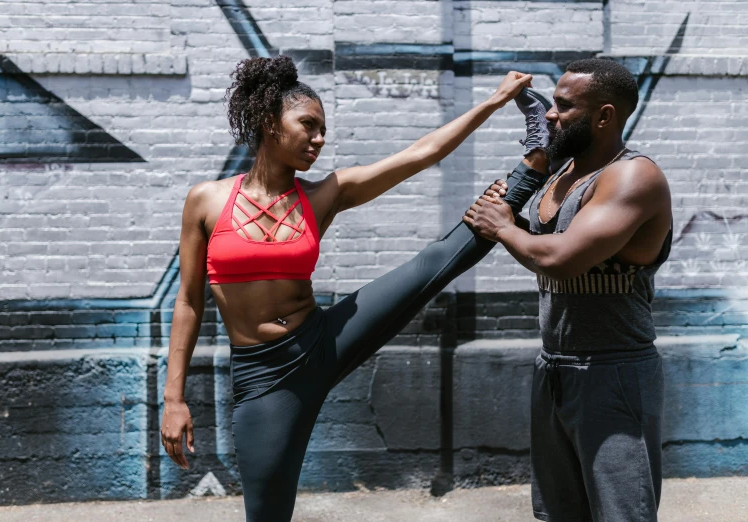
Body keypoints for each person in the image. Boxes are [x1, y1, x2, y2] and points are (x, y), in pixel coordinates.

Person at [160, 54, 550, 521]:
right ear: (267, 121)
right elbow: (188, 302)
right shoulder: (206, 200)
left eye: (323, 129)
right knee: (267, 514)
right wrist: (174, 398)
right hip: (263, 377)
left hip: (323, 340)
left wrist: (496, 100)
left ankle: (534, 164)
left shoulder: (325, 194)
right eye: (308, 125)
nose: (319, 139)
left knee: (431, 264)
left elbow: (419, 155)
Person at [464, 58, 673, 522]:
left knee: (622, 513)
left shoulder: (632, 177)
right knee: (559, 513)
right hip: (554, 366)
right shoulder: (562, 173)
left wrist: (502, 226)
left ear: (604, 116)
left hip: (614, 370)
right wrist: (510, 213)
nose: (552, 114)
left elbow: (560, 259)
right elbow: (536, 236)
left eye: (563, 105)